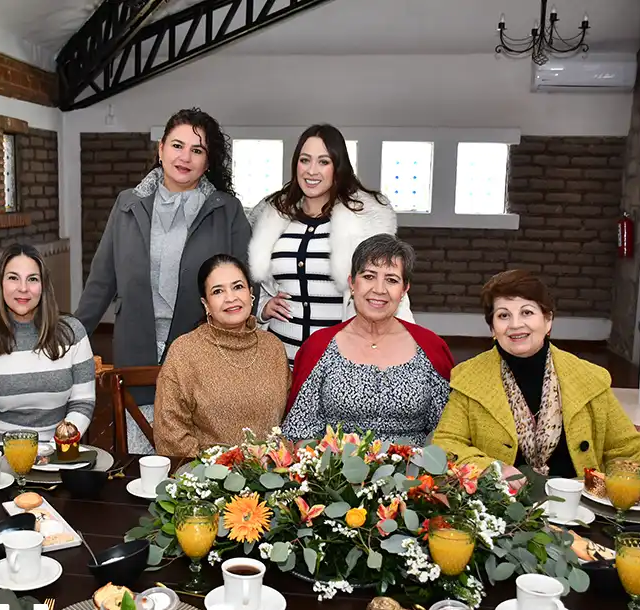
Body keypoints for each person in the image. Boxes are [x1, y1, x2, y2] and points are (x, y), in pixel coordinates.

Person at [432, 269, 640, 495]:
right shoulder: (469, 378)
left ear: (548, 320)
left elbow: (629, 448)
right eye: (504, 315)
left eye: (527, 312)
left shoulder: (588, 378)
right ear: (493, 328)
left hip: (581, 508)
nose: (515, 324)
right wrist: (492, 469)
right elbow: (447, 443)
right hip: (501, 509)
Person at [75, 107, 251, 453]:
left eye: (197, 150)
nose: (184, 157)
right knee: (138, 455)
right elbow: (102, 279)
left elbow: (247, 280)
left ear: (208, 162)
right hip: (136, 349)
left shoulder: (226, 210)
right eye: (177, 145)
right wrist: (70, 336)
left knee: (196, 462)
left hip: (203, 354)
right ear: (160, 149)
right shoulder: (128, 204)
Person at [248, 124, 414, 365]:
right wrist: (263, 308)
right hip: (278, 362)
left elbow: (389, 290)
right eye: (305, 160)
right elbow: (262, 283)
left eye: (323, 162)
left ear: (337, 167)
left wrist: (407, 355)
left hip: (337, 365)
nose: (311, 170)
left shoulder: (363, 223)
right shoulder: (273, 218)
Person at [281, 235, 451, 444]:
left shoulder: (431, 347)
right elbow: (299, 432)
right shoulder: (319, 347)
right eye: (369, 276)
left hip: (414, 464)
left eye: (391, 280)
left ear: (404, 290)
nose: (379, 289)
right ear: (352, 283)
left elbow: (448, 433)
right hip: (333, 464)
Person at [154, 255, 291, 456]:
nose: (231, 298)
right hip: (204, 472)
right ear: (206, 304)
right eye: (218, 291)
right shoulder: (185, 351)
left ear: (251, 293)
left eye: (238, 287)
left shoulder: (272, 347)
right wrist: (209, 470)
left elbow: (288, 421)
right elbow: (170, 432)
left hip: (269, 471)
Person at [0, 244, 95, 442]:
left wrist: (58, 446)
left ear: (43, 286)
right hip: (1, 451)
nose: (23, 288)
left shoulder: (72, 333)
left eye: (33, 279)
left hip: (58, 450)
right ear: (0, 284)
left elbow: (83, 401)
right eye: (13, 278)